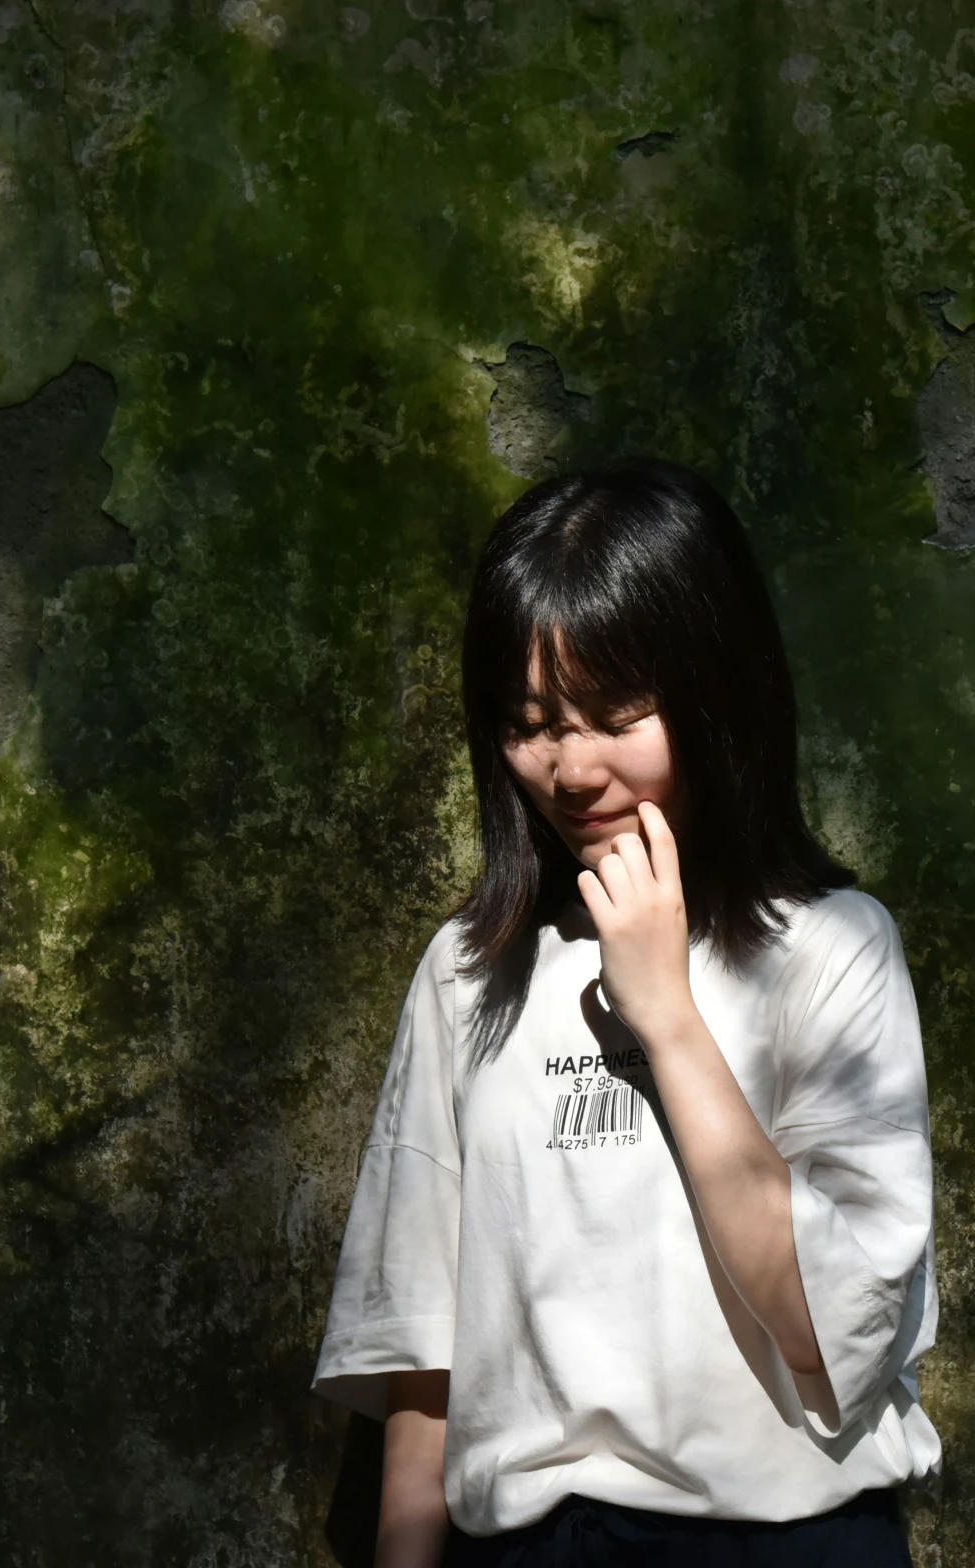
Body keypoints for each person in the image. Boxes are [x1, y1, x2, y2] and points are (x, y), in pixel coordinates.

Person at [312, 459, 938, 1567]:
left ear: (715, 689)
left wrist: (666, 1010)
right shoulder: (471, 973)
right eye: (530, 720)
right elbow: (422, 1351)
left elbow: (830, 1330)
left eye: (616, 713)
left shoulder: (832, 948)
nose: (570, 766)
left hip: (786, 1539)